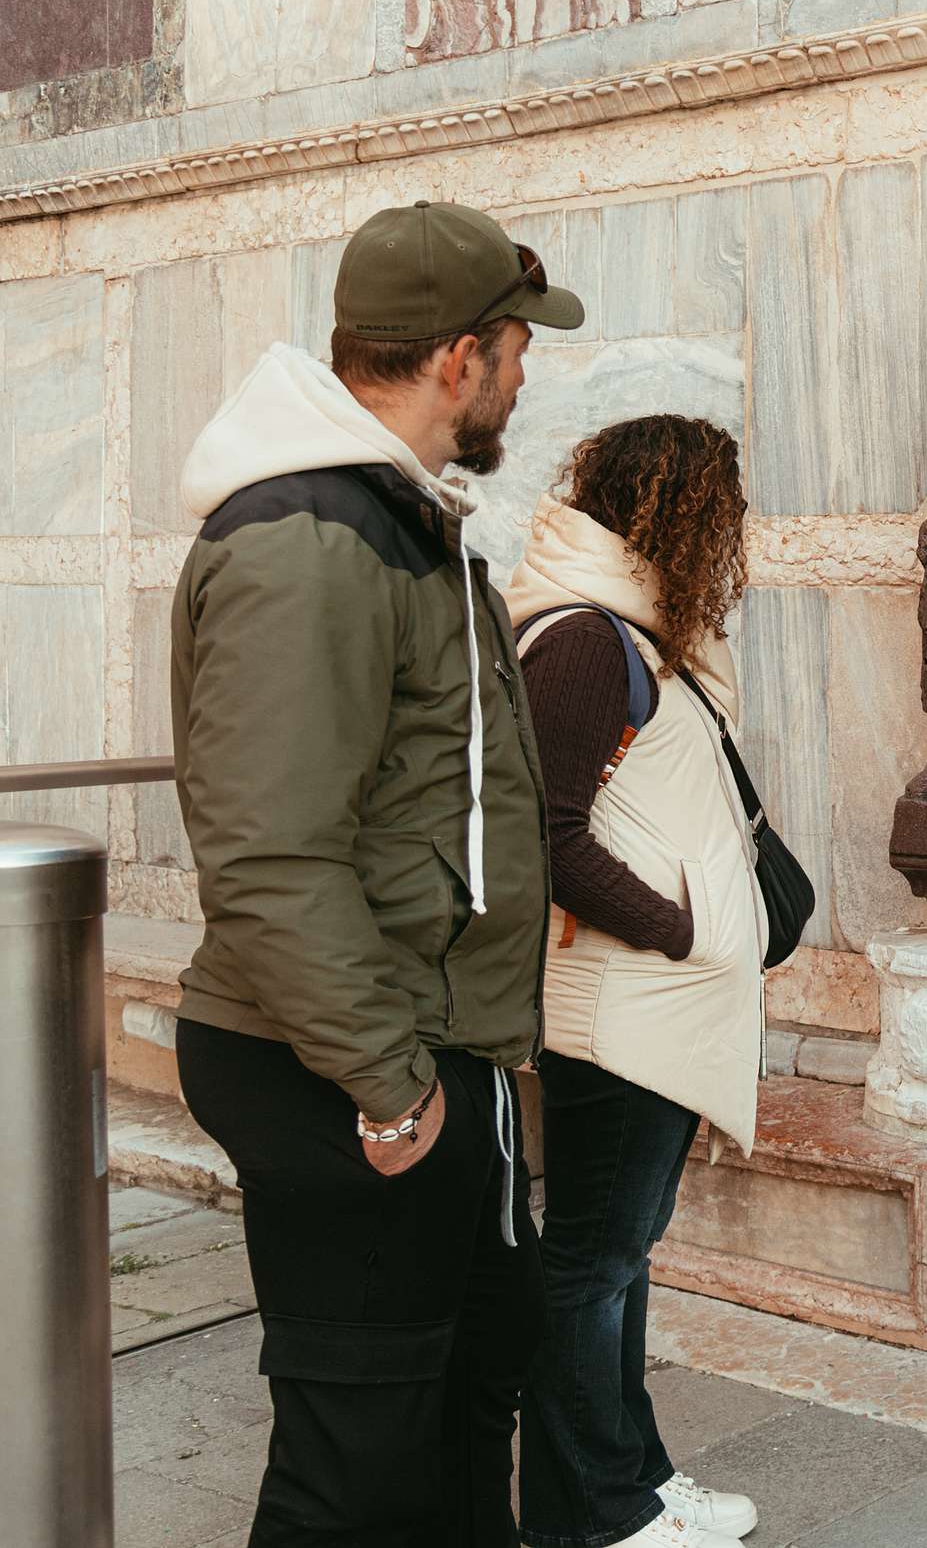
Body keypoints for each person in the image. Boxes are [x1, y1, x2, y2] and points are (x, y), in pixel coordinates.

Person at [168, 200, 582, 1544]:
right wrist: (392, 1082)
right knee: (357, 1470)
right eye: (519, 348)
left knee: (468, 1403)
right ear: (460, 357)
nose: (526, 375)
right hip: (347, 1062)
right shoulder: (311, 538)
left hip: (429, 1039)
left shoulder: (391, 518)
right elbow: (271, 850)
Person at [504, 417, 767, 1548]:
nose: (735, 530)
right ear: (676, 513)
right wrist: (674, 925)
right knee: (590, 1264)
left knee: (618, 1256)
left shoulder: (632, 634)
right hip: (614, 1012)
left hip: (650, 1011)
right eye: (724, 506)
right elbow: (547, 831)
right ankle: (592, 1513)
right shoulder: (583, 641)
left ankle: (637, 1476)